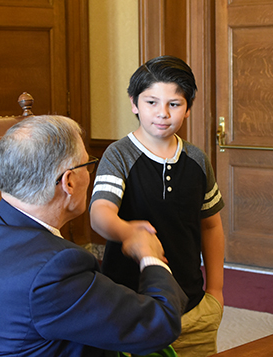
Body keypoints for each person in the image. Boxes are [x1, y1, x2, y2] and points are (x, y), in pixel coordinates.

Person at [0, 115, 188, 357]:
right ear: (69, 182)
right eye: (87, 165)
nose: (90, 173)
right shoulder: (55, 269)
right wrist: (150, 257)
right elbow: (159, 324)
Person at [90, 55, 225, 357]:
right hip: (132, 309)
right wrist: (128, 232)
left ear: (188, 108)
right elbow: (100, 215)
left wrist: (215, 292)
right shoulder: (119, 155)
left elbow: (211, 225)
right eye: (151, 102)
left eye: (174, 104)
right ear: (134, 103)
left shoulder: (197, 159)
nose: (162, 113)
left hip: (192, 307)